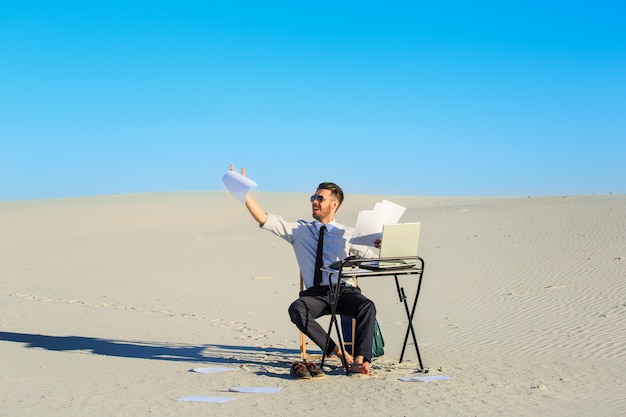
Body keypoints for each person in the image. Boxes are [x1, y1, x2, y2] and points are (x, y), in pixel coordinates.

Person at [230, 165, 378, 377]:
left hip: (343, 292)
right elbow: (264, 219)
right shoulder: (299, 231)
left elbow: (374, 260)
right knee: (296, 309)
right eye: (313, 197)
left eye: (320, 198)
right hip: (316, 295)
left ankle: (361, 361)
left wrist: (382, 245)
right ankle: (340, 354)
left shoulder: (348, 234)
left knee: (367, 306)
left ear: (334, 204)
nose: (314, 201)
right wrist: (243, 192)